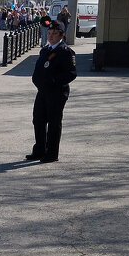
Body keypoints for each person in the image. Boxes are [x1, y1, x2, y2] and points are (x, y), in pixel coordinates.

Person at [27, 22, 77, 163]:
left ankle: (51, 153)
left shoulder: (65, 52)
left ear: (61, 35)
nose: (51, 36)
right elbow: (39, 69)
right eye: (49, 33)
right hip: (42, 91)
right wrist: (37, 81)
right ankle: (39, 150)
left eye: (54, 33)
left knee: (54, 123)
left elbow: (71, 74)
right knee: (38, 119)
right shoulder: (45, 50)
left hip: (56, 92)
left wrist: (53, 81)